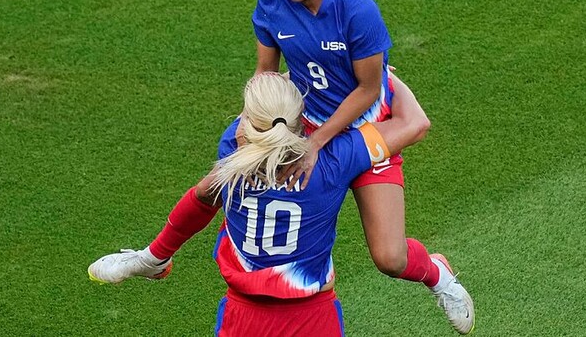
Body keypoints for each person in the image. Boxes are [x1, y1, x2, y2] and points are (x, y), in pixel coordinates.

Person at [91, 0, 475, 334]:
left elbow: (368, 90)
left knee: (390, 258)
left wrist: (319, 143)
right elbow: (266, 71)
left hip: (363, 125)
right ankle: (153, 258)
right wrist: (251, 123)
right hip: (301, 125)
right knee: (216, 183)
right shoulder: (271, 0)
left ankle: (438, 274)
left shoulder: (357, 9)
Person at [89, 73, 472, 336]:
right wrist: (381, 77)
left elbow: (204, 196)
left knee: (207, 192)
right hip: (313, 316)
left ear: (248, 124)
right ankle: (153, 259)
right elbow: (416, 122)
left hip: (243, 314)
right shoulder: (334, 158)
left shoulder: (232, 151)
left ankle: (153, 259)